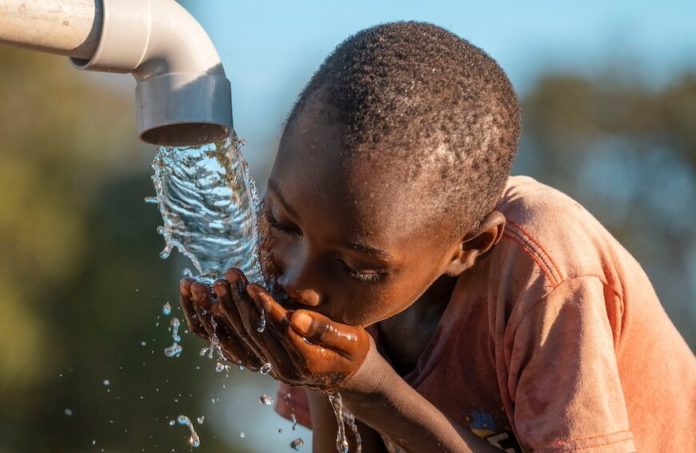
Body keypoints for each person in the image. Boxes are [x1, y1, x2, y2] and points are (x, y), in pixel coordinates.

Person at [178, 22, 696, 452]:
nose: (299, 282)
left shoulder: (546, 267)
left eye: (359, 267)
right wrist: (320, 379)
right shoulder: (358, 272)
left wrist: (370, 389)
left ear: (466, 250)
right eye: (283, 223)